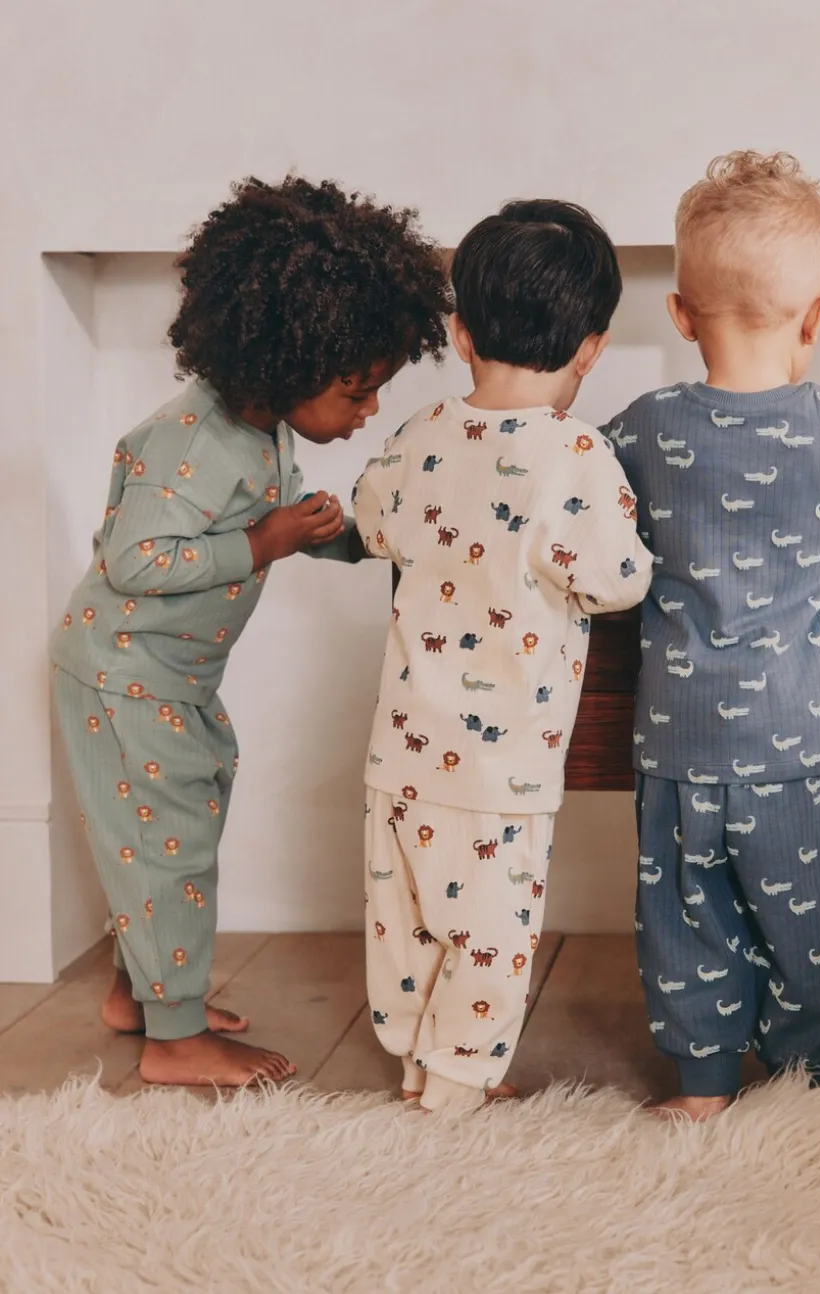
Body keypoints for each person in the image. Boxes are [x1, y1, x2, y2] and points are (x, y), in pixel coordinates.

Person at [51, 176, 451, 1087]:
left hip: (169, 677)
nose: (368, 410)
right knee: (168, 844)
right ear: (286, 356)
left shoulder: (260, 428)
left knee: (166, 833)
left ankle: (142, 998)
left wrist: (363, 538)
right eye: (357, 391)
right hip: (123, 675)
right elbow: (135, 561)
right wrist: (264, 541)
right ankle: (174, 1041)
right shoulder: (187, 442)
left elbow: (284, 516)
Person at [606, 152, 820, 1120]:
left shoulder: (642, 431)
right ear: (816, 316)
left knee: (685, 916)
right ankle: (807, 1087)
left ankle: (703, 1085)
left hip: (678, 742)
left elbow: (581, 500)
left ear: (679, 313)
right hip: (796, 748)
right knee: (809, 926)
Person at [352, 200, 653, 1111]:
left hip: (400, 751)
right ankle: (456, 1083)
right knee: (490, 929)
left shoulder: (419, 437)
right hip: (502, 767)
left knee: (404, 924)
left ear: (461, 335)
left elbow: (372, 522)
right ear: (592, 349)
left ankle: (415, 1061)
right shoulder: (577, 454)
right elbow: (620, 580)